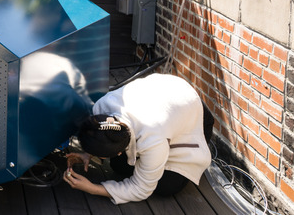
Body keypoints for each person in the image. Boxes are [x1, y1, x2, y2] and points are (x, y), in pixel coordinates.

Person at [63, 73, 214, 204]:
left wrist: (94, 189)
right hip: (167, 99)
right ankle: (151, 162)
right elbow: (98, 131)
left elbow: (141, 189)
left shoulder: (153, 139)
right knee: (119, 166)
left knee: (166, 186)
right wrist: (87, 154)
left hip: (195, 117)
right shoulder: (101, 108)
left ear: (120, 152)